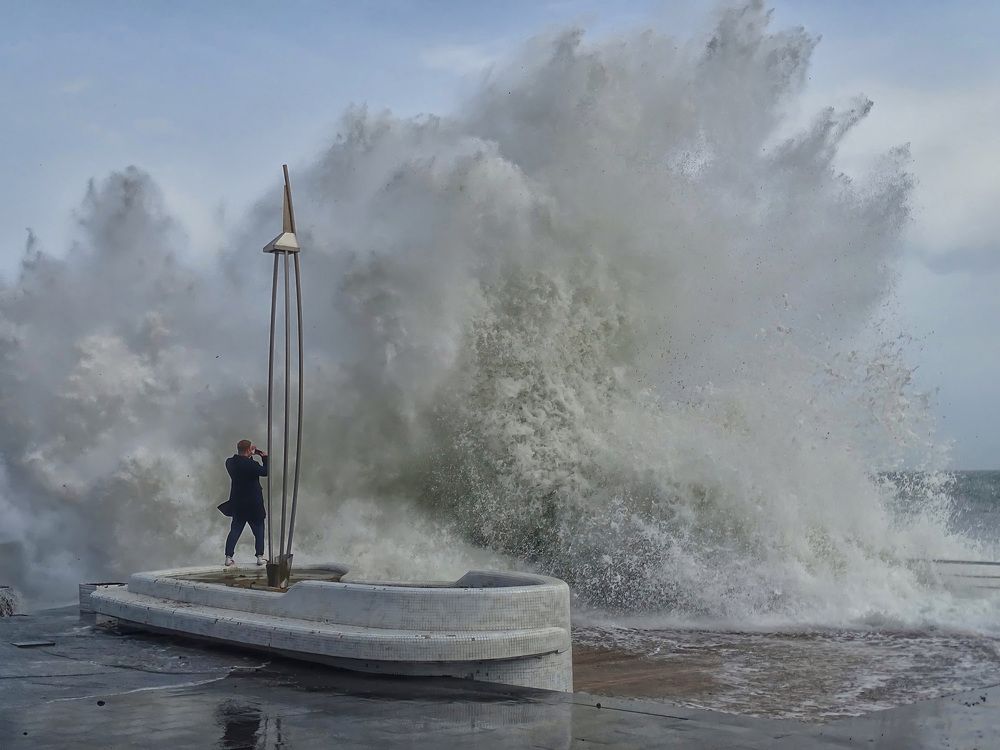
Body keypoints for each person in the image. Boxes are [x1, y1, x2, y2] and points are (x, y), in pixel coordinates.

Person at [224, 439, 268, 567]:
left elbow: (243, 464)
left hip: (239, 504)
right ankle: (260, 556)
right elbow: (265, 471)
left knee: (235, 530)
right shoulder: (251, 465)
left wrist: (249, 455)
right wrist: (264, 457)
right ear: (249, 450)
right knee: (259, 530)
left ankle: (228, 557)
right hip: (254, 504)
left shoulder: (230, 463)